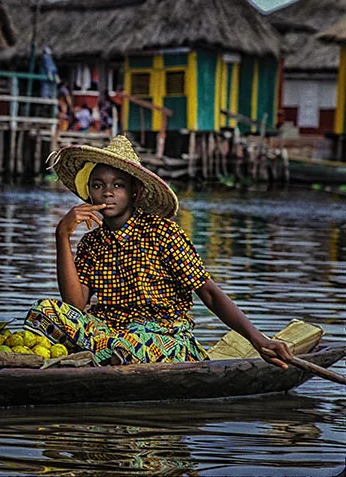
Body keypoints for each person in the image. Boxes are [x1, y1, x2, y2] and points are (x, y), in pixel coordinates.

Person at [24, 135, 294, 368]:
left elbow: (209, 293)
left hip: (162, 335)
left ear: (135, 192)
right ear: (89, 194)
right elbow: (75, 306)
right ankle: (108, 355)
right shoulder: (91, 244)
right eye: (98, 185)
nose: (107, 193)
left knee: (131, 344)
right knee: (43, 311)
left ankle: (109, 356)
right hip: (108, 330)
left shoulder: (163, 232)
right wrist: (62, 235)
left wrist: (258, 339)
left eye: (118, 185)